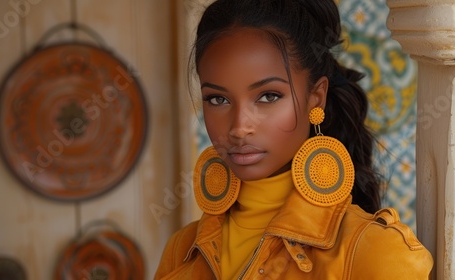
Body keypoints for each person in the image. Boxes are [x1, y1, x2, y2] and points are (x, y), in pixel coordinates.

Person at [155, 0, 433, 279]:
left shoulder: (374, 253)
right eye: (218, 99)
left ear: (316, 98)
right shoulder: (182, 250)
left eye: (268, 96)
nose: (239, 128)